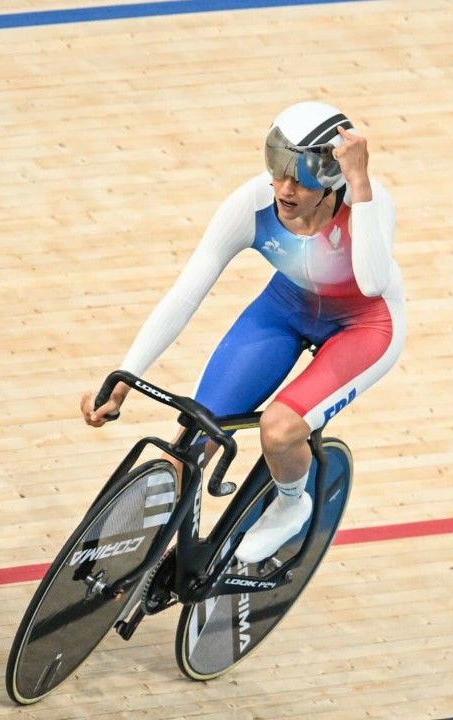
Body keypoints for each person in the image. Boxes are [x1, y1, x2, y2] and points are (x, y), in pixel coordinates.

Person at [81, 100, 406, 563]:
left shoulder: (368, 203)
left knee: (278, 430)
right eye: (277, 167)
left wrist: (360, 183)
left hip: (363, 326)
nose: (285, 187)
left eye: (301, 175)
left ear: (332, 177)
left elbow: (373, 281)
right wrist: (121, 379)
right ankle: (128, 568)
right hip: (285, 309)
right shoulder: (253, 202)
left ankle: (292, 504)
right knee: (194, 436)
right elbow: (184, 295)